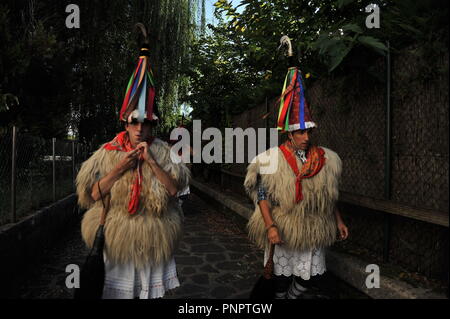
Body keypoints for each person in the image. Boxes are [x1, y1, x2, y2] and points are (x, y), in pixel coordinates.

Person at [75, 40, 190, 299]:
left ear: (152, 125)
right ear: (126, 123)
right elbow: (93, 194)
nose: (140, 129)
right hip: (118, 239)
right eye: (134, 123)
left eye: (146, 124)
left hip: (154, 237)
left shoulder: (164, 152)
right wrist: (120, 168)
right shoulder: (106, 153)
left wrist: (151, 161)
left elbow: (174, 191)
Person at [244, 65, 348, 299]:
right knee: (281, 274)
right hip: (284, 225)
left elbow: (327, 195)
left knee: (307, 274)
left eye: (308, 131)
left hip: (314, 225)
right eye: (300, 132)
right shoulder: (271, 159)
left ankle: (291, 297)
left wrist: (338, 220)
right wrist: (270, 226)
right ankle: (282, 297)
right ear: (289, 133)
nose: (306, 137)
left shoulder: (325, 159)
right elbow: (262, 195)